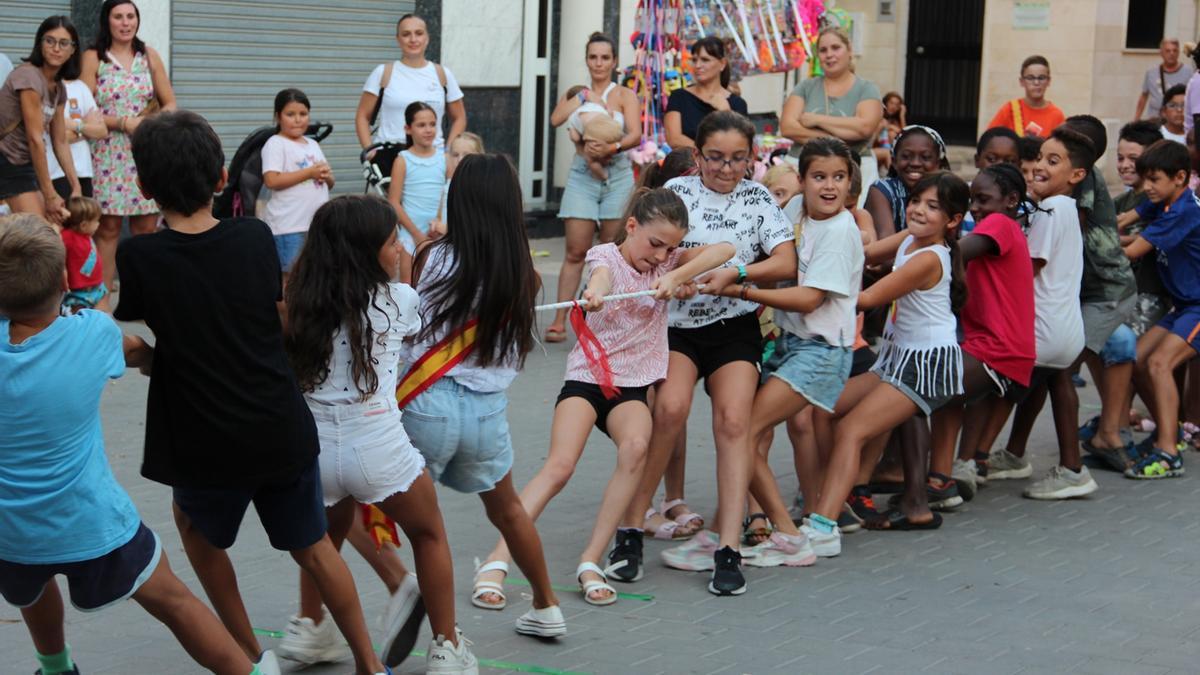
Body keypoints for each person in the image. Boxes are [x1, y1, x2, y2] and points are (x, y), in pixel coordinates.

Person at [112, 110, 393, 675]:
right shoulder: (253, 236)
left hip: (201, 435)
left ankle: (249, 654)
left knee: (196, 531)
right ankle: (370, 664)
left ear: (142, 187)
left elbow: (156, 330)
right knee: (313, 545)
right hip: (278, 423)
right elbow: (255, 316)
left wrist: (144, 357)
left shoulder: (139, 256)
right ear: (221, 177)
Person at [0, 213, 259, 675]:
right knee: (174, 600)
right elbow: (140, 351)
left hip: (10, 530)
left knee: (33, 584)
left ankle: (56, 668)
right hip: (91, 521)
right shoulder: (92, 334)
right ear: (63, 279)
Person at [484, 188, 735, 602]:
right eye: (654, 244)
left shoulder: (668, 263)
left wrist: (676, 276)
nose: (659, 255)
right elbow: (599, 275)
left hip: (631, 390)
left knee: (636, 445)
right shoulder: (605, 256)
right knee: (560, 466)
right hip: (587, 382)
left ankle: (591, 560)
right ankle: (497, 559)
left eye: (669, 248)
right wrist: (594, 294)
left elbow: (726, 248)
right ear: (632, 226)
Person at [280, 195, 477, 672]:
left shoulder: (296, 304)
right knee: (428, 533)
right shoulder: (399, 299)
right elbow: (405, 312)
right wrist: (405, 268)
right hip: (380, 449)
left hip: (317, 453)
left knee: (322, 540)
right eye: (393, 242)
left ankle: (312, 627)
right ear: (368, 252)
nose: (400, 248)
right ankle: (447, 647)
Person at [617, 111, 796, 595]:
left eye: (738, 158)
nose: (726, 168)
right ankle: (631, 528)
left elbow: (784, 262)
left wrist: (738, 275)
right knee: (670, 410)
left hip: (734, 326)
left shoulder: (758, 198)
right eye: (715, 157)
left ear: (752, 158)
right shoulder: (678, 193)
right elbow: (641, 248)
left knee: (734, 424)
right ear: (697, 156)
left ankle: (729, 547)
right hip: (676, 328)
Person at [399, 154, 563, 641]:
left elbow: (409, 329)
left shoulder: (431, 255)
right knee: (507, 509)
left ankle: (420, 610)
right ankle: (546, 605)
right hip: (487, 413)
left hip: (426, 401)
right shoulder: (524, 274)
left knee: (406, 521)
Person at [700, 136, 866, 563]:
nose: (829, 187)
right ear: (802, 180)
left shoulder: (840, 231)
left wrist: (741, 288)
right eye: (819, 177)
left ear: (851, 183)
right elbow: (771, 254)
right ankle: (726, 526)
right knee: (743, 434)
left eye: (839, 178)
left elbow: (810, 298)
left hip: (822, 350)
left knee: (741, 432)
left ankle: (788, 536)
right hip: (789, 343)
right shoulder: (793, 211)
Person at [974, 128, 1096, 500]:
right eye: (1040, 158)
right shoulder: (1061, 207)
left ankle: (974, 458)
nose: (1039, 166)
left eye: (1052, 161)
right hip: (1064, 326)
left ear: (1076, 175)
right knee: (1048, 383)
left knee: (1002, 387)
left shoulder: (1052, 208)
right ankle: (1058, 465)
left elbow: (1026, 268)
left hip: (1042, 325)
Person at [943, 164, 1037, 498]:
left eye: (984, 199)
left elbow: (950, 254)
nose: (975, 207)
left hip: (996, 345)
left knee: (916, 393)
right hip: (1000, 344)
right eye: (972, 200)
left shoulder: (1000, 224)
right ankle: (961, 466)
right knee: (964, 395)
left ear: (1011, 200)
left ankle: (927, 477)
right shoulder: (1003, 226)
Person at [544, 32, 642, 342]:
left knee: (612, 250)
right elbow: (556, 119)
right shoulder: (580, 93)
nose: (598, 63)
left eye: (604, 57)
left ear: (614, 62)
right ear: (587, 60)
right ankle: (560, 318)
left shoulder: (625, 95)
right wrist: (582, 99)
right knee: (575, 250)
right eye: (593, 57)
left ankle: (604, 319)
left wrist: (609, 150)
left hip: (618, 174)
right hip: (582, 176)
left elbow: (636, 135)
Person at [81, 0, 176, 291]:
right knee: (107, 228)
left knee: (146, 228)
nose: (125, 23)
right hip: (107, 153)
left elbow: (170, 103)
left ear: (137, 20)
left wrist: (151, 121)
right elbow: (84, 110)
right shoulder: (94, 57)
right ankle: (104, 300)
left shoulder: (148, 55)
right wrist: (122, 123)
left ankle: (143, 295)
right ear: (106, 21)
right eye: (118, 17)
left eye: (130, 16)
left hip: (145, 151)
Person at [1121, 139, 1200, 479]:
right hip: (1184, 305)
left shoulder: (1185, 211)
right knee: (1135, 360)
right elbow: (1124, 221)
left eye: (1154, 179)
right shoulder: (1164, 203)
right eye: (1145, 179)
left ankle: (1169, 452)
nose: (1147, 186)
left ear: (1180, 177)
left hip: (1198, 307)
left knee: (1158, 363)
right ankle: (1169, 432)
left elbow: (1131, 251)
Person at [780, 26, 884, 207]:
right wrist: (841, 138)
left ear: (849, 50)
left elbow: (865, 128)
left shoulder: (867, 88)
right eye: (823, 50)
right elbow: (788, 127)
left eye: (836, 48)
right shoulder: (805, 87)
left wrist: (816, 120)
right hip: (801, 164)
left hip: (856, 167)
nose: (829, 54)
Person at [355, 13, 465, 176]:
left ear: (427, 37)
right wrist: (370, 151)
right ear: (398, 39)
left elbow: (459, 117)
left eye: (419, 33)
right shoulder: (383, 73)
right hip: (389, 157)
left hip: (432, 159)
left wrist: (448, 151)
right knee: (389, 202)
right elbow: (362, 116)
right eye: (406, 34)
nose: (413, 39)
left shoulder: (442, 74)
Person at [0, 16, 81, 224]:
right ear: (40, 43)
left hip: (24, 163)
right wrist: (50, 195)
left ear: (73, 49)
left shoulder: (58, 88)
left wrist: (75, 185)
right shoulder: (28, 77)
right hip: (7, 158)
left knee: (48, 228)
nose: (56, 48)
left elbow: (60, 140)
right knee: (39, 232)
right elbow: (35, 138)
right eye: (49, 41)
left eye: (64, 43)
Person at [260, 88, 332, 281]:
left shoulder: (313, 144)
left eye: (303, 114)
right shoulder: (275, 143)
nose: (298, 119)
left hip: (314, 225)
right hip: (288, 226)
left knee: (312, 276)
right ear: (277, 117)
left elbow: (329, 182)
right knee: (290, 278)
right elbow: (272, 180)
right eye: (290, 114)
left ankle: (306, 311)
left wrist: (325, 175)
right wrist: (310, 172)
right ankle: (288, 312)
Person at [1114, 121, 1169, 336]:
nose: (1124, 165)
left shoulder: (1160, 200)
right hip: (1122, 292)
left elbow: (1145, 242)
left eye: (1133, 159)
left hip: (1151, 292)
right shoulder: (1120, 202)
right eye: (1120, 158)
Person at [865, 125, 949, 238]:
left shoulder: (946, 193)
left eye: (925, 157)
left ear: (939, 163)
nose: (915, 163)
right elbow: (885, 241)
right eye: (906, 156)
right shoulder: (882, 191)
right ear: (894, 162)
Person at [664, 37, 748, 148]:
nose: (698, 65)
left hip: (724, 164)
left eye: (705, 60)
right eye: (694, 60)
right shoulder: (679, 97)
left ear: (722, 64)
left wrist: (726, 113)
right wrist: (708, 154)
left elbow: (740, 144)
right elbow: (674, 139)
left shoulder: (737, 104)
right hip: (687, 163)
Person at [387, 102, 446, 254]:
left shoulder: (445, 158)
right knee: (410, 278)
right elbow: (394, 202)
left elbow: (448, 195)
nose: (428, 130)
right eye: (421, 125)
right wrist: (416, 235)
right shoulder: (403, 160)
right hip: (411, 237)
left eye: (432, 124)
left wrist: (441, 224)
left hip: (440, 234)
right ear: (408, 129)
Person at [46, 73, 105, 200]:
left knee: (85, 218)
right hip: (55, 171)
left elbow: (101, 131)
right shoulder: (44, 86)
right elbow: (56, 137)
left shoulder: (80, 87)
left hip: (84, 171)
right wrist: (85, 126)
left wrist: (72, 124)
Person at [986, 55, 1064, 138]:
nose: (1036, 82)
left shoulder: (1057, 116)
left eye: (1042, 78)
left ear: (1048, 81)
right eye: (1030, 78)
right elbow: (989, 139)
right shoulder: (1010, 110)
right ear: (1022, 81)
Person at [59, 195, 110, 313]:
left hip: (97, 287)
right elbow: (55, 241)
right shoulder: (69, 237)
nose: (98, 224)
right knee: (80, 319)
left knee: (101, 318)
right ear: (83, 225)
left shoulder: (85, 235)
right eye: (96, 221)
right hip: (79, 292)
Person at [564, 85, 626, 180]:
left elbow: (575, 138)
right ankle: (610, 154)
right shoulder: (598, 105)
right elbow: (609, 113)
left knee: (590, 158)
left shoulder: (573, 115)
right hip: (615, 130)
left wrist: (580, 136)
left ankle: (603, 175)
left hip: (595, 135)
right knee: (616, 117)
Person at [431, 130, 483, 234]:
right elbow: (441, 216)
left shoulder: (481, 188)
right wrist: (435, 225)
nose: (460, 159)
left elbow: (476, 229)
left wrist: (444, 229)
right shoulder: (448, 185)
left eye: (467, 155)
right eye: (455, 155)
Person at [1136, 38, 1195, 121]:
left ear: (1178, 53)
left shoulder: (1189, 72)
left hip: (1178, 120)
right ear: (1161, 53)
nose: (1171, 54)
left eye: (1174, 51)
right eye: (1168, 51)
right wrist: (1136, 118)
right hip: (1154, 120)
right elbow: (1144, 96)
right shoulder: (1151, 73)